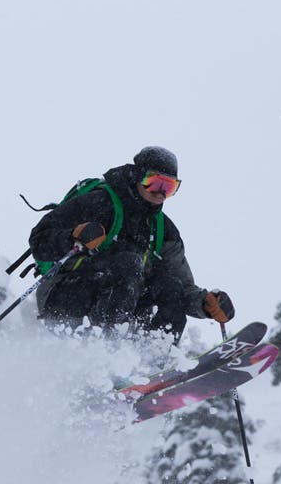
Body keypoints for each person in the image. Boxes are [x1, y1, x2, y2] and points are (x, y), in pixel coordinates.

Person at [28, 146, 235, 342]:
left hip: (119, 306)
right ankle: (106, 351)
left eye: (168, 187)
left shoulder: (163, 229)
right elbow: (39, 240)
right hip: (64, 300)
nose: (160, 193)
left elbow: (183, 286)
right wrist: (72, 237)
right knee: (129, 264)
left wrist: (204, 304)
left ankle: (155, 358)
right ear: (138, 176)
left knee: (170, 286)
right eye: (154, 182)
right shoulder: (98, 203)